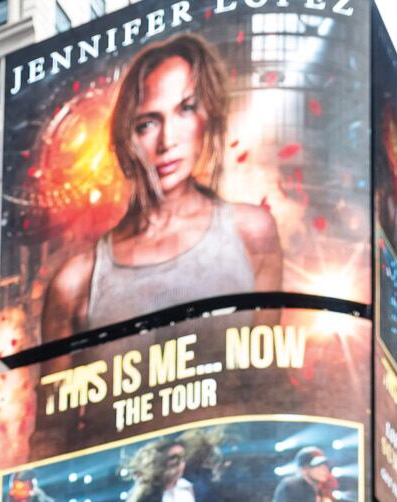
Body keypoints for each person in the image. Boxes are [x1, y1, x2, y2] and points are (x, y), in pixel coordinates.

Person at [40, 35, 281, 345]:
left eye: (186, 109)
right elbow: (55, 393)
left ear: (208, 115)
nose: (167, 141)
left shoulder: (253, 232)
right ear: (126, 137)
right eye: (147, 124)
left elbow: (266, 375)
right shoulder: (75, 282)